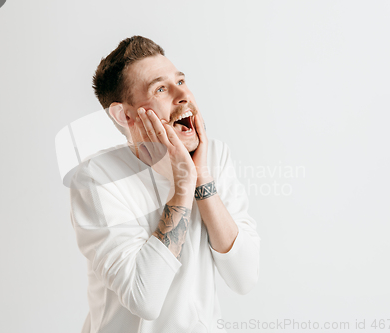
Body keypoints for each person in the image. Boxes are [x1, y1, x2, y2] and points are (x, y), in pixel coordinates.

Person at [69, 35, 260, 333]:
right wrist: (183, 186)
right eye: (161, 88)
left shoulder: (215, 157)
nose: (182, 96)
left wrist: (202, 179)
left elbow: (244, 277)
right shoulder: (96, 178)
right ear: (125, 115)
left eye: (181, 82)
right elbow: (144, 298)